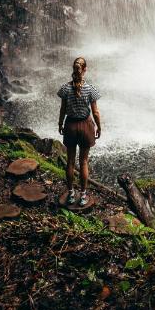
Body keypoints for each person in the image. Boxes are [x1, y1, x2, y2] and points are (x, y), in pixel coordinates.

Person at [57, 56, 101, 207]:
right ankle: (82, 196)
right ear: (85, 70)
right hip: (85, 126)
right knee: (83, 162)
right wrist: (99, 126)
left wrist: (60, 123)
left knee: (70, 162)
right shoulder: (90, 89)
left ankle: (70, 194)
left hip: (70, 126)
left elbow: (63, 109)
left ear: (74, 70)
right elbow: (95, 112)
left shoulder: (65, 89)